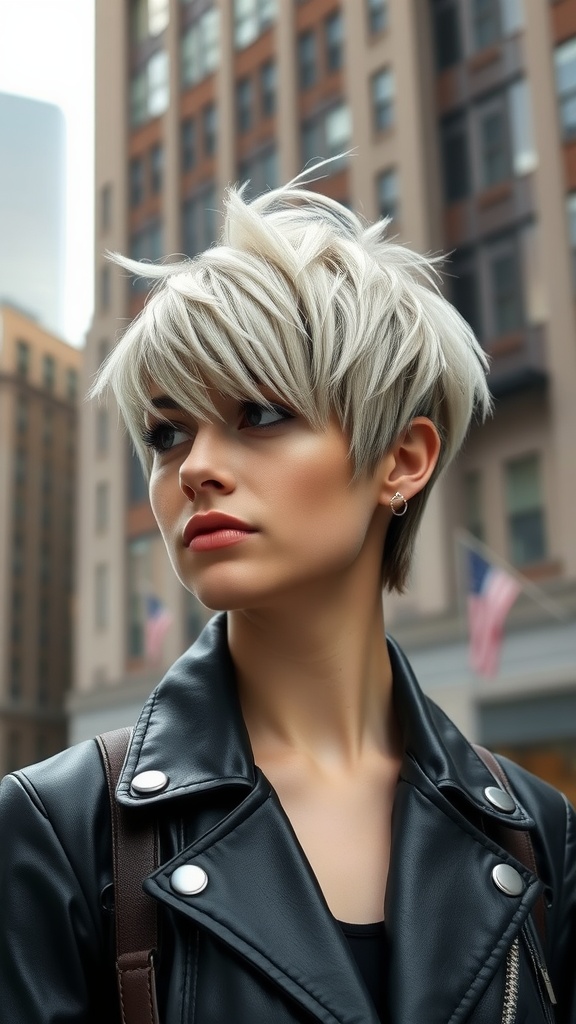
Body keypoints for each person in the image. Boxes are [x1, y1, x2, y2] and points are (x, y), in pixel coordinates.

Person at [1, 168, 575, 1024]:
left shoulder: (537, 831)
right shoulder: (58, 826)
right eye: (166, 432)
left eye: (260, 414)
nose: (193, 467)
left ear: (403, 460)